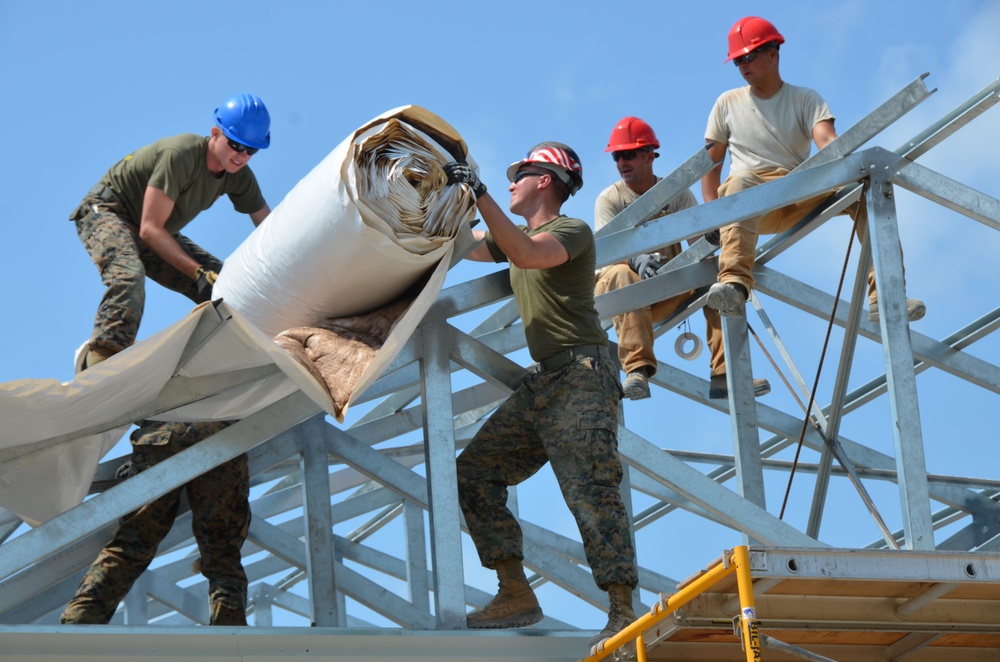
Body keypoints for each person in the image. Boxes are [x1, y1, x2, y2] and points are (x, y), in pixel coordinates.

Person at [445, 144, 638, 650]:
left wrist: (479, 191)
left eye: (520, 175)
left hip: (581, 376)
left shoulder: (570, 231)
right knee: (474, 471)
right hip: (545, 384)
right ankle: (514, 589)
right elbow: (466, 245)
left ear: (546, 181)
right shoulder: (516, 235)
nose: (511, 183)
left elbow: (529, 256)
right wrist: (437, 199)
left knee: (590, 490)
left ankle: (622, 609)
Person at [702, 17, 925, 324]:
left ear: (773, 53)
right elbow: (711, 167)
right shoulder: (727, 103)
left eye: (749, 56)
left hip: (797, 191)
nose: (743, 65)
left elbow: (828, 143)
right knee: (739, 182)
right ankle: (735, 285)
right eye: (738, 60)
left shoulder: (805, 99)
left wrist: (859, 169)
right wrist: (711, 212)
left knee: (862, 192)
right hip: (751, 200)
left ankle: (887, 295)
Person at [71, 93, 273, 371]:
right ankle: (102, 359)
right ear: (215, 134)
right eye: (236, 144)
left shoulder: (239, 177)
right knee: (128, 277)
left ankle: (220, 368)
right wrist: (197, 272)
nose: (242, 156)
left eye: (252, 150)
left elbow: (269, 227)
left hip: (154, 229)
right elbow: (150, 230)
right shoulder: (180, 154)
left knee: (229, 289)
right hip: (109, 212)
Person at [594, 116, 770, 401]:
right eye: (617, 156)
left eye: (628, 155)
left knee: (716, 277)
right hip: (620, 298)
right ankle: (636, 371)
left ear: (649, 155)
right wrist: (635, 260)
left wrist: (710, 238)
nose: (621, 163)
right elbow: (606, 253)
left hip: (663, 291)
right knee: (622, 274)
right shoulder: (610, 199)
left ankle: (727, 374)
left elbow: (698, 245)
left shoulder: (675, 195)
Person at [60, 420, 251, 625]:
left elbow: (137, 401)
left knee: (132, 543)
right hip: (220, 439)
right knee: (222, 549)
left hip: (160, 437)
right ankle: (228, 622)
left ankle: (83, 615)